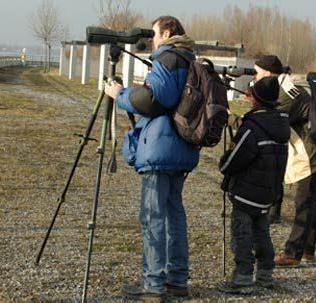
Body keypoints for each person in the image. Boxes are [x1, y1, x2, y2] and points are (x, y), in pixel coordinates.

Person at [104, 16, 199, 300]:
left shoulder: (168, 58)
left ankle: (153, 284)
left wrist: (120, 94)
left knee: (153, 217)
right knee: (174, 215)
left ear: (167, 33)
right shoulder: (188, 59)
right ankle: (177, 280)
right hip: (180, 147)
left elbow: (154, 100)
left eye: (155, 33)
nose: (152, 39)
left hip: (160, 149)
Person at [253, 55, 316, 266]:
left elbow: (272, 120)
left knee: (304, 199)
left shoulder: (287, 91)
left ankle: (293, 253)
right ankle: (308, 250)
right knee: (311, 198)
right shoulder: (286, 85)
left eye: (256, 72)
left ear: (267, 73)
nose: (254, 77)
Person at [219, 76, 290, 294]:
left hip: (245, 193)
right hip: (267, 192)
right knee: (262, 233)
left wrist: (224, 164)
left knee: (242, 235)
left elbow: (235, 159)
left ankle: (242, 280)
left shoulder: (252, 128)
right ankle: (265, 275)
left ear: (256, 100)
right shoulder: (280, 124)